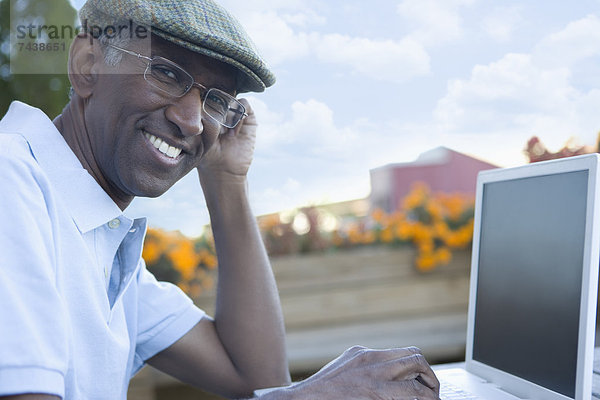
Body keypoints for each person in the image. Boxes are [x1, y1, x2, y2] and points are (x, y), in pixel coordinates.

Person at [0, 0, 440, 399]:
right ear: (87, 65)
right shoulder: (11, 180)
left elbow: (257, 376)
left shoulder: (96, 233)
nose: (192, 121)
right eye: (167, 72)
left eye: (217, 100)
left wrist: (226, 180)